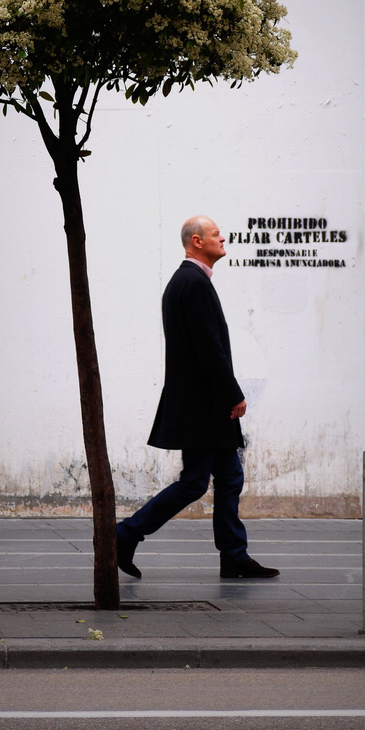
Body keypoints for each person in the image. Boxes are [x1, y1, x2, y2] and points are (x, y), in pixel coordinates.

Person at [116, 216, 279, 580]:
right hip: (205, 407)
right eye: (216, 234)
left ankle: (235, 556)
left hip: (206, 406)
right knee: (193, 482)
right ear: (196, 241)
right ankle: (125, 533)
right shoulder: (193, 284)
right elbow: (209, 348)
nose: (224, 238)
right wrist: (232, 393)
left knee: (230, 477)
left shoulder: (187, 282)